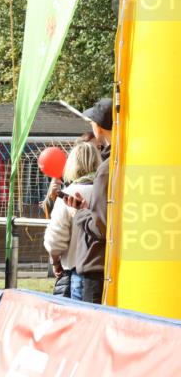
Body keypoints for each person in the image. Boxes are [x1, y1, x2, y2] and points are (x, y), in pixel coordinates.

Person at [65, 98, 113, 304]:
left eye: (92, 121)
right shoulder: (118, 161)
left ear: (99, 126)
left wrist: (80, 214)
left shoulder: (106, 168)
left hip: (96, 268)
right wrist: (87, 208)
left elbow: (101, 227)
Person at [44, 142, 101, 299]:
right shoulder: (107, 192)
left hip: (77, 272)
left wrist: (55, 263)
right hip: (106, 273)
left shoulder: (68, 196)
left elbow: (55, 240)